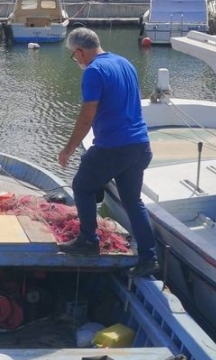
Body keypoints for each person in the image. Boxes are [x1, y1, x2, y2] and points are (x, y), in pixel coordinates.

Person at [58, 27, 159, 278]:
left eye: (74, 55)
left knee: (82, 186)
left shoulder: (94, 71)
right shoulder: (125, 63)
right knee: (132, 201)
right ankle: (149, 256)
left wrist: (68, 148)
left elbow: (87, 115)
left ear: (80, 52)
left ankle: (88, 241)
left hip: (114, 147)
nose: (76, 60)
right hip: (140, 145)